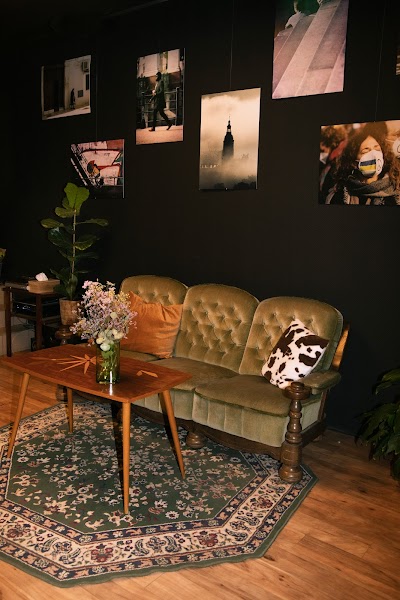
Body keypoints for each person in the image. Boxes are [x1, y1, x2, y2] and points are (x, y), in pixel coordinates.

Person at [328, 127, 400, 205]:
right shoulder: (340, 194)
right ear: (354, 161)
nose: (374, 155)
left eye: (377, 149)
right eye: (365, 151)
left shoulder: (396, 191)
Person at [319, 125, 348, 204]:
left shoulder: (338, 168)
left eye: (322, 150)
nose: (321, 153)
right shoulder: (327, 164)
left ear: (333, 145)